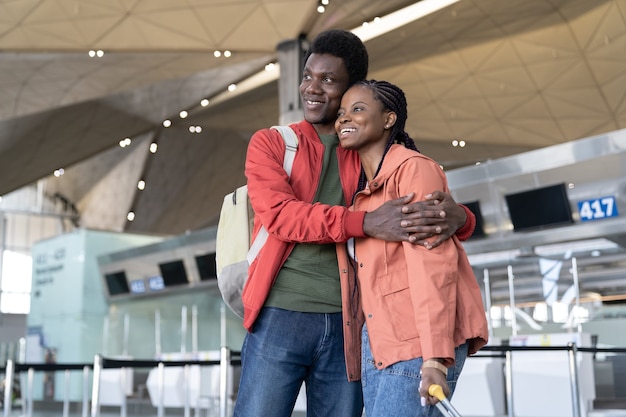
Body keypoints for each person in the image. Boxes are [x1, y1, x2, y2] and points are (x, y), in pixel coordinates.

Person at [233, 29, 476, 417]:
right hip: (280, 313)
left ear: (350, 89)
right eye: (308, 76)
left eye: (328, 80)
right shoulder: (272, 143)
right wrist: (364, 222)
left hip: (351, 323)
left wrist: (462, 217)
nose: (313, 88)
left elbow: (417, 207)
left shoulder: (362, 150)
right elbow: (281, 215)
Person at [335, 79, 489, 416]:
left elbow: (432, 265)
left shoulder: (414, 170)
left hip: (418, 340)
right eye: (341, 113)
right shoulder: (365, 192)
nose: (343, 119)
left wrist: (435, 357)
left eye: (357, 109)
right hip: (380, 340)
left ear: (389, 119)